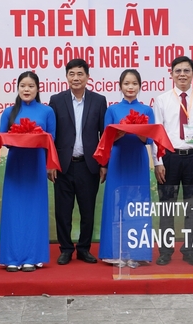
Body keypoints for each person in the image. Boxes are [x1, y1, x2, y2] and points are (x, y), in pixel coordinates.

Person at [153, 56, 193, 266]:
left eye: (187, 71)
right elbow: (157, 133)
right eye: (178, 71)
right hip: (169, 157)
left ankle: (189, 250)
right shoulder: (162, 100)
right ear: (171, 74)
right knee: (167, 206)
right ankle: (165, 251)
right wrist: (158, 162)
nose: (182, 75)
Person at [48, 59, 107, 265]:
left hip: (88, 165)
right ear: (66, 77)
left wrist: (103, 164)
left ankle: (83, 249)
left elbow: (104, 136)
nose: (76, 78)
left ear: (87, 77)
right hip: (64, 164)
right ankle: (65, 249)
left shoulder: (99, 101)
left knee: (87, 210)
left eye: (80, 74)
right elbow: (51, 136)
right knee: (63, 211)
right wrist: (51, 163)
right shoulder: (56, 100)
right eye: (71, 74)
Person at [0, 71, 56, 272]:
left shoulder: (47, 112)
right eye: (23, 85)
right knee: (14, 211)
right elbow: (2, 139)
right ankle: (11, 257)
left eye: (31, 86)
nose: (26, 89)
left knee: (34, 211)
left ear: (38, 88)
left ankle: (33, 256)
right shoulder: (9, 112)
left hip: (37, 165)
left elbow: (51, 141)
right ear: (17, 88)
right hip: (15, 165)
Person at [98, 69, 154, 267]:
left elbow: (149, 139)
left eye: (134, 84)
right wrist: (121, 132)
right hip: (118, 160)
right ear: (120, 86)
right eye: (126, 84)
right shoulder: (112, 110)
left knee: (137, 205)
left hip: (137, 160)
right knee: (116, 204)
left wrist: (138, 129)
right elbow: (107, 139)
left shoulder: (147, 110)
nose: (130, 87)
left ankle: (136, 253)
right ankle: (114, 252)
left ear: (140, 86)